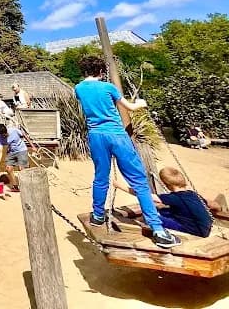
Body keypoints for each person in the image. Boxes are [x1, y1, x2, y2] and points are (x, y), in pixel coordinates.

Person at [75, 55, 181, 249]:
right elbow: (130, 108)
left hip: (96, 136)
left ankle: (98, 215)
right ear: (101, 71)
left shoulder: (79, 88)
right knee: (138, 181)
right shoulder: (108, 87)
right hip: (117, 135)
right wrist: (141, 103)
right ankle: (157, 229)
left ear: (84, 71)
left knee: (100, 177)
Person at [115, 167, 214, 237]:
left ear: (167, 185)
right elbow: (207, 204)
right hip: (204, 228)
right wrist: (218, 208)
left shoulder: (175, 197)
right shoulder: (193, 194)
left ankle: (145, 224)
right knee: (164, 209)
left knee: (149, 216)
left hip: (194, 231)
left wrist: (118, 185)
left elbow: (145, 195)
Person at [0, 123, 28, 190]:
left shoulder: (13, 130)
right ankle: (15, 186)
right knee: (8, 168)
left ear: (6, 130)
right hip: (12, 152)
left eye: (5, 133)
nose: (5, 135)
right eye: (3, 135)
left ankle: (26, 186)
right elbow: (0, 151)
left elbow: (24, 135)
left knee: (22, 169)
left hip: (21, 149)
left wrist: (33, 146)